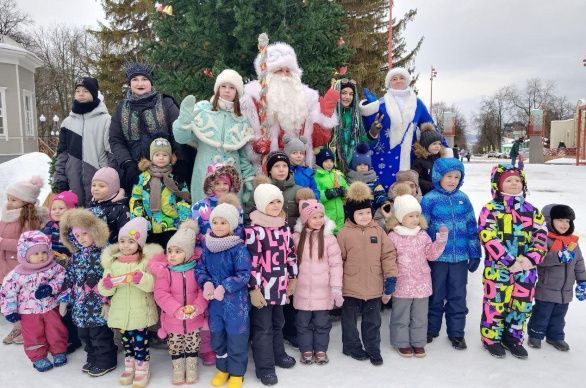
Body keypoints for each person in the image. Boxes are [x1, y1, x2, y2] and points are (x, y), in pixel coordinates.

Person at [478, 164, 547, 359]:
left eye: (518, 180)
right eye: (508, 180)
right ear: (498, 184)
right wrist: (508, 261)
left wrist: (530, 259)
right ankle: (491, 338)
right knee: (496, 304)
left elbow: (541, 236)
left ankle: (513, 338)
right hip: (499, 270)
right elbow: (487, 236)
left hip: (526, 270)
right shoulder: (490, 209)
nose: (514, 183)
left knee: (521, 306)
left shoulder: (532, 210)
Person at [241, 40, 339, 171]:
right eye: (279, 70)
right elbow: (244, 135)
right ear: (267, 74)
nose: (284, 75)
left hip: (300, 170)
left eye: (288, 71)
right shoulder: (254, 98)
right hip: (267, 169)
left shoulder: (307, 99)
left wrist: (324, 117)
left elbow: (316, 140)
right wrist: (255, 145)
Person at [421, 158, 481, 350]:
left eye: (457, 177)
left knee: (457, 295)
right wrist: (424, 255)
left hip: (460, 258)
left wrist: (475, 253)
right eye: (449, 176)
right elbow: (422, 229)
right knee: (436, 294)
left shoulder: (463, 199)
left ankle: (456, 333)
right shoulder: (429, 199)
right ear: (439, 176)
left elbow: (472, 227)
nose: (453, 180)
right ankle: (431, 328)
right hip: (437, 258)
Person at [336, 182, 397, 366]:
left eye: (368, 212)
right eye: (360, 213)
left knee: (373, 321)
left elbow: (388, 254)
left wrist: (391, 276)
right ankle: (351, 346)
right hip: (351, 285)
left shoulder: (377, 231)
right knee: (349, 320)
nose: (364, 216)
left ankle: (373, 348)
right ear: (351, 214)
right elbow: (339, 260)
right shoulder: (343, 233)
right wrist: (337, 286)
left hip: (373, 285)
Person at [109, 62, 194, 194]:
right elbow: (116, 140)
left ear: (151, 82)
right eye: (135, 80)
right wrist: (127, 163)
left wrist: (181, 161)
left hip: (167, 169)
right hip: (135, 172)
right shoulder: (121, 109)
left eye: (144, 79)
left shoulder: (166, 102)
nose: (140, 84)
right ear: (130, 84)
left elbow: (178, 132)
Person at [173, 69, 255, 202]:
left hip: (232, 177)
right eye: (223, 86)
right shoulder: (202, 110)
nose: (227, 90)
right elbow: (182, 138)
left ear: (237, 92)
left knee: (230, 216)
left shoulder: (241, 120)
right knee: (203, 214)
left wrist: (248, 178)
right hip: (205, 172)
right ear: (217, 89)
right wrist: (183, 121)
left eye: (232, 87)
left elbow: (242, 154)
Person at [245, 183, 298, 386]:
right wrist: (254, 289)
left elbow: (290, 255)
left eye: (278, 201)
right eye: (271, 202)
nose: (276, 205)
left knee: (279, 323)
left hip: (280, 286)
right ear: (260, 204)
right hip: (262, 289)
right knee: (263, 328)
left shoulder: (284, 227)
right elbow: (252, 263)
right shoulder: (254, 231)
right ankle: (264, 367)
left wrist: (293, 278)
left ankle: (278, 354)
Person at [98, 217, 161, 387]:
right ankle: (129, 366)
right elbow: (104, 289)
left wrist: (143, 279)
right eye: (122, 241)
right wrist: (107, 284)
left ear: (139, 244)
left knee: (140, 342)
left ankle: (142, 368)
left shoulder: (145, 262)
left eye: (131, 242)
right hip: (121, 312)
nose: (126, 246)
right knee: (126, 342)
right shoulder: (112, 263)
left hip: (140, 310)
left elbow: (154, 285)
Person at [196, 197, 251, 388]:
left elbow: (244, 274)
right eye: (215, 222)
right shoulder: (207, 246)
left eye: (223, 222)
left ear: (232, 224)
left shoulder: (239, 248)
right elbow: (200, 269)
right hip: (215, 304)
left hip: (236, 304)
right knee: (217, 337)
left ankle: (236, 373)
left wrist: (224, 286)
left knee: (236, 338)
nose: (218, 226)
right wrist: (207, 284)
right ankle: (222, 369)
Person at [386, 189, 447, 358]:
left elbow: (431, 254)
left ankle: (418, 342)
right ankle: (401, 342)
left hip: (421, 283)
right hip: (402, 283)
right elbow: (389, 259)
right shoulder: (393, 237)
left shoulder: (423, 235)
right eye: (409, 216)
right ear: (399, 218)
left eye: (416, 215)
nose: (414, 219)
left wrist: (440, 242)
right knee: (401, 315)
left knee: (420, 316)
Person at [359, 67, 442, 190]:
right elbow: (367, 128)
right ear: (389, 82)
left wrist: (445, 150)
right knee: (384, 192)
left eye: (402, 78)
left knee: (407, 191)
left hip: (409, 156)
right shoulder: (380, 104)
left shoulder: (417, 104)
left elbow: (431, 128)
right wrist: (370, 107)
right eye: (394, 78)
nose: (398, 81)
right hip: (384, 156)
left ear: (407, 80)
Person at [59, 208, 117, 377]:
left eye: (85, 233)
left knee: (99, 335)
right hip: (79, 305)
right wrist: (64, 300)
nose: (81, 238)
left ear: (96, 231)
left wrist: (108, 300)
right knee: (84, 334)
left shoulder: (105, 254)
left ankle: (106, 360)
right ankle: (92, 357)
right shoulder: (76, 256)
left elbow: (111, 278)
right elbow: (69, 278)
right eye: (77, 236)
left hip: (97, 305)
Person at [149, 220, 208, 385]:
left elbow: (202, 291)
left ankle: (191, 367)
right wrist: (175, 309)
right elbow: (161, 294)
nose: (172, 255)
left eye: (178, 251)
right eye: (170, 251)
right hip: (173, 319)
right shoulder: (165, 272)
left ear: (188, 253)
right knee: (175, 345)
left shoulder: (196, 270)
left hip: (193, 319)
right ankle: (177, 367)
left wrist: (197, 307)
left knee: (192, 344)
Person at [0, 231, 67, 372]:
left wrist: (50, 287)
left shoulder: (54, 267)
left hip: (50, 307)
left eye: (43, 252)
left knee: (56, 330)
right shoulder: (17, 274)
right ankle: (38, 357)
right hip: (28, 312)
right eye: (35, 254)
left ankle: (58, 351)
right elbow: (8, 292)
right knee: (33, 334)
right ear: (25, 255)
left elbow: (62, 278)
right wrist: (9, 310)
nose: (41, 256)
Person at [292, 198, 343, 365]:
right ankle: (306, 349)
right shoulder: (296, 238)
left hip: (323, 291)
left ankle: (321, 349)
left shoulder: (329, 239)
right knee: (303, 323)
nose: (318, 220)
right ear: (306, 219)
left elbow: (336, 265)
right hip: (302, 291)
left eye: (321, 216)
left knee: (322, 323)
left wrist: (336, 288)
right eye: (314, 217)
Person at [528, 204, 585, 351]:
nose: (564, 224)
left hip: (565, 291)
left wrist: (582, 281)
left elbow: (579, 262)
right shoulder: (544, 240)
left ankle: (555, 336)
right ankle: (535, 335)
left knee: (559, 317)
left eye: (567, 221)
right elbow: (540, 260)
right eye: (560, 220)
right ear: (548, 220)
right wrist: (558, 256)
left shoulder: (573, 242)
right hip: (546, 288)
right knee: (542, 314)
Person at [1, 176, 47, 345]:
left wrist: (2, 242)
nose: (9, 202)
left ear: (25, 201)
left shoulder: (28, 220)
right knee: (9, 298)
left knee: (23, 299)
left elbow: (27, 244)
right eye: (8, 199)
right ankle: (17, 327)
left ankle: (28, 329)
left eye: (14, 200)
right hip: (4, 265)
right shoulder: (5, 216)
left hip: (19, 266)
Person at [53, 77, 113, 206]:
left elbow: (111, 152)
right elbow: (62, 154)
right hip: (73, 179)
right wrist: (60, 178)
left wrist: (110, 176)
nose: (81, 93)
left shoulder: (106, 120)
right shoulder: (67, 123)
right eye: (78, 90)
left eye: (85, 90)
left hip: (99, 179)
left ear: (94, 93)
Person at [129, 137, 191, 248]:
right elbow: (136, 198)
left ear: (171, 157)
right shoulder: (142, 178)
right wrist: (138, 219)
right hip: (149, 226)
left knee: (171, 253)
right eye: (157, 155)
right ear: (151, 157)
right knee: (152, 257)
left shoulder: (176, 177)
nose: (161, 158)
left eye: (165, 155)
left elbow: (183, 199)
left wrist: (183, 219)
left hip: (171, 225)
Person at [40, 191, 81, 353]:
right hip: (53, 272)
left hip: (70, 273)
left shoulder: (74, 229)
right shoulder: (48, 228)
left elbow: (79, 249)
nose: (56, 211)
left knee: (69, 305)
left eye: (61, 208)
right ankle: (61, 337)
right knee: (57, 306)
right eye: (54, 208)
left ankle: (74, 338)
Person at [326, 79, 368, 173]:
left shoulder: (356, 115)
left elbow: (363, 140)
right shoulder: (329, 114)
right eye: (344, 93)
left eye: (351, 94)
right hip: (332, 165)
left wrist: (373, 132)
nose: (347, 97)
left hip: (354, 166)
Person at [88, 167, 129, 244]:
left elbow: (125, 234)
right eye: (93, 185)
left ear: (113, 188)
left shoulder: (121, 208)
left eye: (101, 186)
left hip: (111, 249)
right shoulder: (91, 205)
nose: (96, 189)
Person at [314, 147, 348, 233]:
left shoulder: (338, 174)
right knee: (328, 236)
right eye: (326, 161)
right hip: (327, 215)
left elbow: (347, 188)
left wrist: (344, 191)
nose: (329, 164)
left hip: (340, 214)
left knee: (340, 235)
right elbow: (315, 195)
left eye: (331, 161)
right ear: (320, 162)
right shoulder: (317, 177)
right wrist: (327, 194)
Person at [345, 143, 386, 210]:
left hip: (370, 211)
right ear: (354, 166)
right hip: (354, 211)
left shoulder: (373, 179)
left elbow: (379, 192)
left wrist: (383, 201)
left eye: (365, 165)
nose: (362, 167)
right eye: (359, 164)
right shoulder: (350, 178)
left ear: (369, 166)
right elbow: (346, 196)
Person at [412, 124, 448, 195]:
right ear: (425, 145)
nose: (438, 146)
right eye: (434, 144)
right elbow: (416, 179)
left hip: (441, 192)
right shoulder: (419, 161)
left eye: (439, 144)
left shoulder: (440, 159)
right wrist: (432, 185)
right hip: (427, 194)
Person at [284, 135, 320, 199]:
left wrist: (312, 196)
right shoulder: (283, 171)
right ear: (287, 154)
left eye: (301, 153)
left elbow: (315, 191)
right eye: (294, 153)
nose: (299, 156)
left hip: (305, 206)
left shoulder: (307, 172)